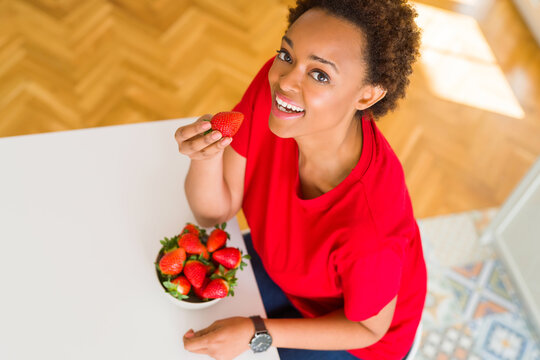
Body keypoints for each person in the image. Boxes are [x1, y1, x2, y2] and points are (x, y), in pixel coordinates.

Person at [175, 0, 427, 359]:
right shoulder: (276, 93)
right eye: (287, 54)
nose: (286, 81)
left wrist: (256, 333)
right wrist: (205, 158)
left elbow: (369, 327)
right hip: (289, 277)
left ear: (367, 94)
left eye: (320, 74)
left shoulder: (372, 227)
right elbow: (214, 214)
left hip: (354, 336)